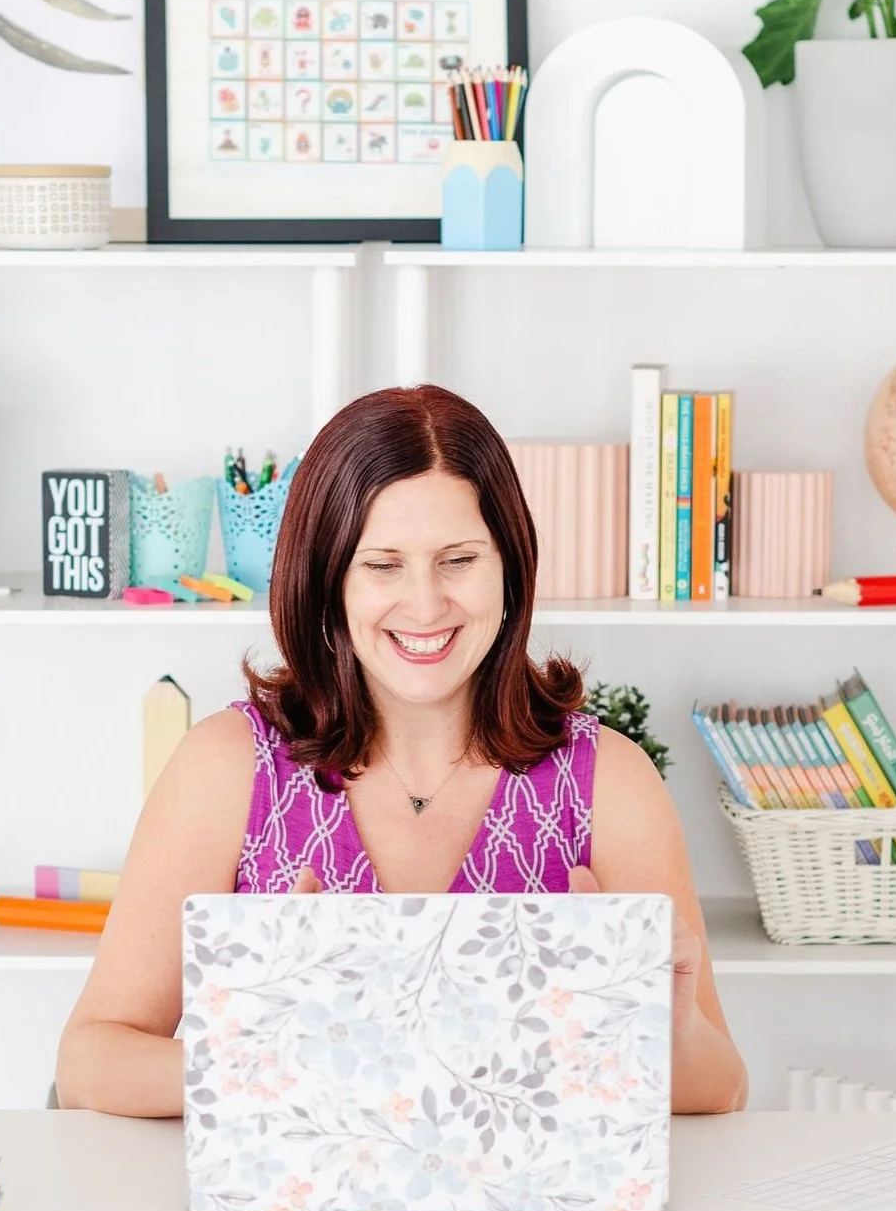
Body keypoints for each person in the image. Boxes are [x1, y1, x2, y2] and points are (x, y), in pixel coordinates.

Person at [57, 386, 747, 1117]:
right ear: (328, 583)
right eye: (382, 565)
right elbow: (91, 1059)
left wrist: (664, 1025)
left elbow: (721, 1085)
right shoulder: (228, 766)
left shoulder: (607, 780)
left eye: (457, 559)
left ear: (508, 570)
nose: (424, 605)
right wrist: (272, 1061)